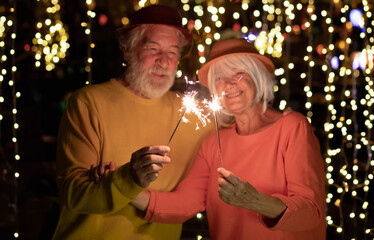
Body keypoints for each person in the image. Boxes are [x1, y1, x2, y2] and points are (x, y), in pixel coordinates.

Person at [126, 38, 327, 239]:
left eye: (239, 73)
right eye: (220, 77)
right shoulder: (212, 143)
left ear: (257, 77)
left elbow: (310, 212)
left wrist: (255, 201)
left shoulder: (292, 128)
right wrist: (123, 189)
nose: (229, 83)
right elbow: (185, 202)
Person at [52, 5, 214, 240]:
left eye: (173, 51)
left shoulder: (195, 116)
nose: (164, 61)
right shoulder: (89, 103)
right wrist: (129, 178)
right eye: (153, 48)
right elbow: (72, 194)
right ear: (127, 50)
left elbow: (199, 195)